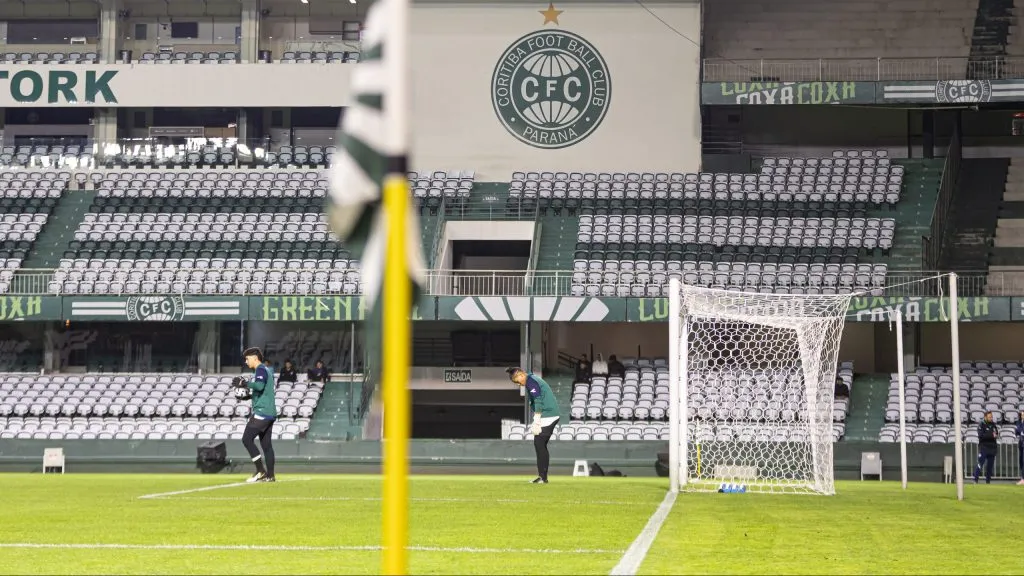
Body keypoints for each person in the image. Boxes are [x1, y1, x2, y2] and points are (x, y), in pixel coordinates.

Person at [507, 367, 560, 484]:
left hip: (548, 414)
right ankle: (542, 477)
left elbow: (538, 399)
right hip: (548, 414)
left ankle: (543, 477)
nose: (519, 384)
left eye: (517, 381)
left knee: (539, 444)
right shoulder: (532, 380)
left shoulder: (530, 381)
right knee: (540, 444)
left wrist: (537, 418)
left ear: (520, 375)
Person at [237, 347, 277, 483]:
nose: (246, 362)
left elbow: (259, 386)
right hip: (270, 413)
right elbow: (262, 391)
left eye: (247, 359)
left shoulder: (260, 369)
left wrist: (244, 383)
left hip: (262, 412)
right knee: (267, 446)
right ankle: (270, 476)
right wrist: (247, 397)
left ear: (255, 358)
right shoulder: (266, 370)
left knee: (246, 439)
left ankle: (260, 471)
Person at [974, 411, 998, 484]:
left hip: (992, 448)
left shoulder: (993, 425)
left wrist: (991, 435)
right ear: (985, 417)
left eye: (991, 417)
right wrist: (991, 435)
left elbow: (996, 434)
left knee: (990, 467)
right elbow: (981, 436)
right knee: (980, 464)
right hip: (984, 447)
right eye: (989, 417)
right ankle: (975, 480)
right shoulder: (981, 425)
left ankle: (988, 482)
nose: (991, 418)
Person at [1016, 411, 1024, 486]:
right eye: (1022, 415)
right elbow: (1017, 431)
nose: (1023, 416)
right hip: (1021, 443)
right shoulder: (1019, 422)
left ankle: (1023, 479)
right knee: (1021, 460)